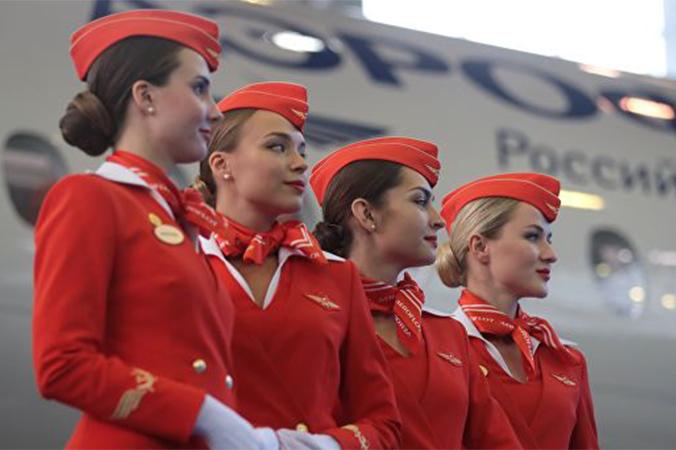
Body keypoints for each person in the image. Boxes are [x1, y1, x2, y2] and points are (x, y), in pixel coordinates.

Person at [33, 9, 269, 449]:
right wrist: (200, 415)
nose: (216, 111)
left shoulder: (175, 216)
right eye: (198, 88)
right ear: (145, 96)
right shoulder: (90, 198)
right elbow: (62, 364)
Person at [195, 82, 401, 450]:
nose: (300, 163)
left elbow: (382, 422)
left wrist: (321, 446)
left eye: (302, 150)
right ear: (222, 165)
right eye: (278, 147)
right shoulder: (182, 260)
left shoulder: (337, 275)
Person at [309, 137, 522, 449]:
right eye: (420, 201)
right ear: (367, 214)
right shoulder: (311, 319)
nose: (438, 220)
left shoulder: (448, 335)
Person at [438, 172, 599, 449]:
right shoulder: (438, 350)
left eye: (548, 239)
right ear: (480, 246)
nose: (551, 254)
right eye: (533, 236)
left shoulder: (566, 359)